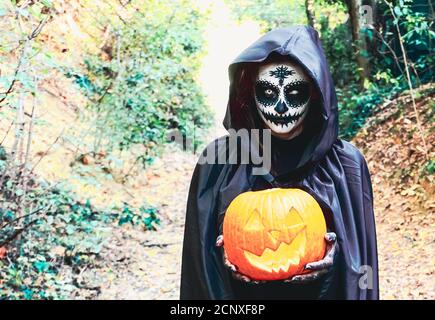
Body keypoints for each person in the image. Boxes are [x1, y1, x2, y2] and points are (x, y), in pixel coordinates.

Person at [180, 26, 378, 299]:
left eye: (295, 93)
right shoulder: (218, 163)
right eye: (269, 93)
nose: (281, 108)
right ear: (249, 92)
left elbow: (360, 268)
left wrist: (336, 257)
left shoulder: (346, 165)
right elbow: (200, 271)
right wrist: (224, 256)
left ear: (317, 92)